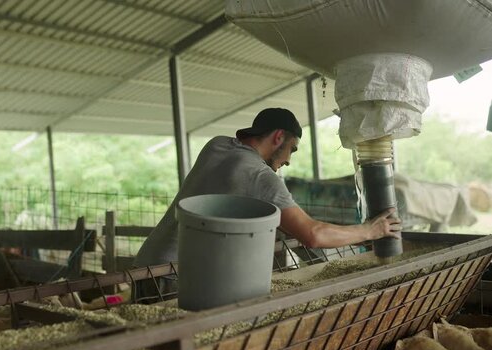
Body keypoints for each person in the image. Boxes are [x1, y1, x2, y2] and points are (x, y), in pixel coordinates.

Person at [132, 108, 401, 302]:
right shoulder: (260, 176)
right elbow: (313, 234)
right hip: (178, 277)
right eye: (292, 149)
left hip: (146, 265)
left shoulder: (217, 145)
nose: (288, 161)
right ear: (278, 137)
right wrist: (370, 231)